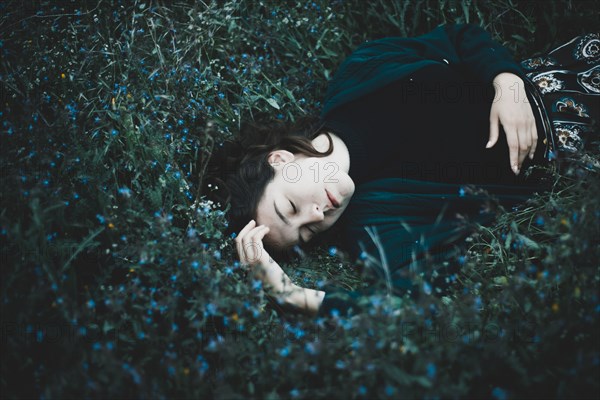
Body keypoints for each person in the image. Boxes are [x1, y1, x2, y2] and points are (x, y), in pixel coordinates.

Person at [217, 24, 599, 317]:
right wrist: (292, 294)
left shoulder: (360, 74)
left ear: (280, 160)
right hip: (579, 153)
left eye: (290, 207)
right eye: (306, 233)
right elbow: (403, 305)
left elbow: (459, 39)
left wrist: (507, 82)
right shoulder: (377, 223)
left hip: (568, 70)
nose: (317, 215)